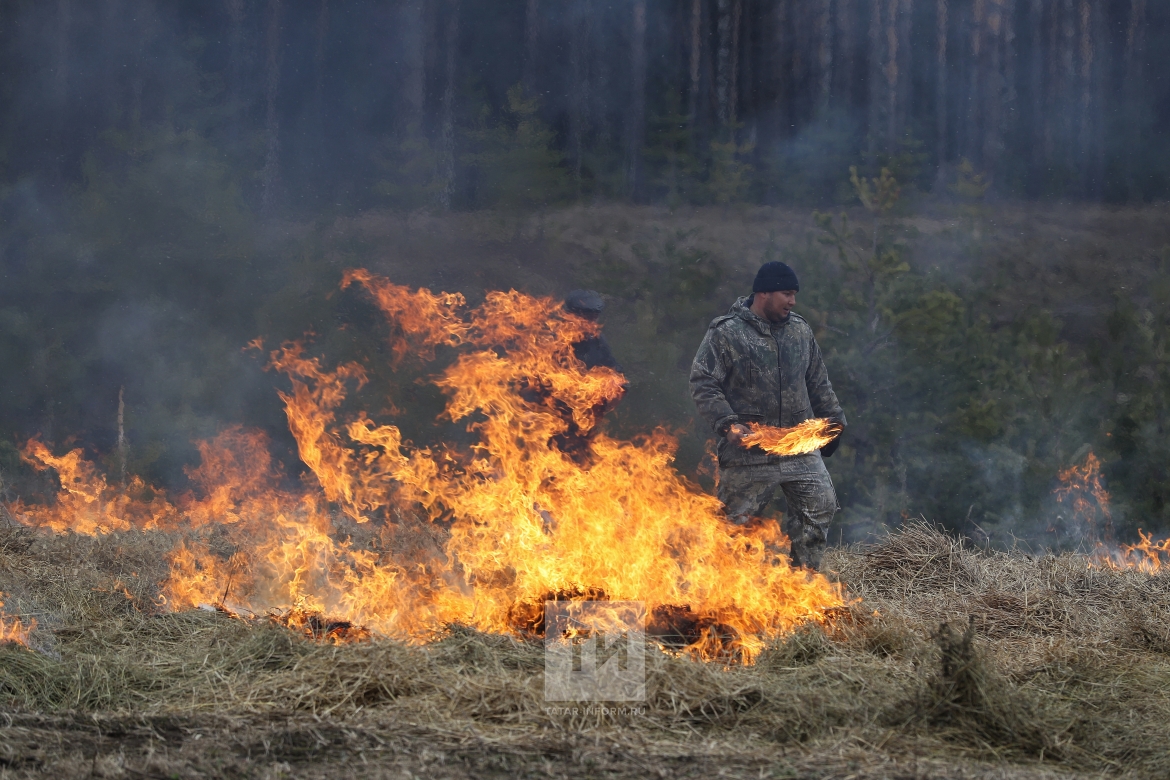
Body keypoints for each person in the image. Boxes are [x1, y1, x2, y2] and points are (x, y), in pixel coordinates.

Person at [689, 262, 846, 570]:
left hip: (798, 446)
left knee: (820, 506)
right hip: (749, 450)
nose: (793, 302)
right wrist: (728, 424)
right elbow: (703, 382)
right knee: (734, 529)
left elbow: (818, 381)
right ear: (763, 293)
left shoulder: (799, 331)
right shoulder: (727, 333)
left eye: (794, 295)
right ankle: (729, 596)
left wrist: (834, 421)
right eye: (786, 294)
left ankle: (803, 586)